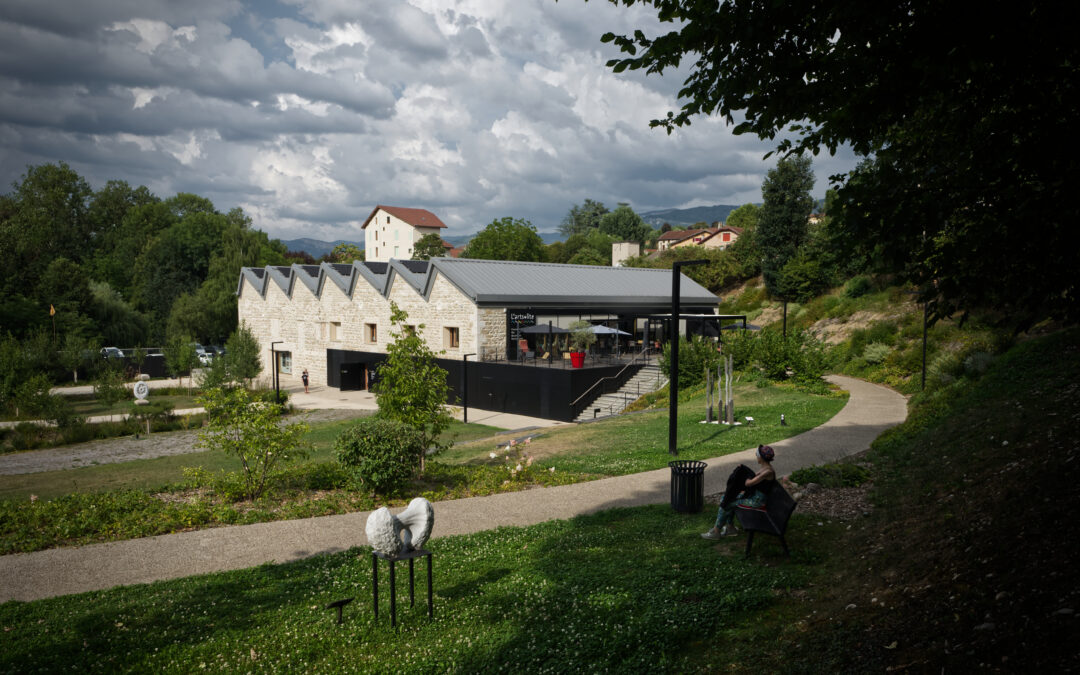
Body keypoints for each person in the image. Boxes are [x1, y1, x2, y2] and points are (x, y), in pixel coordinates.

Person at [702, 445, 777, 540]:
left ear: (761, 458)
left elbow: (749, 483)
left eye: (757, 454)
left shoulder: (768, 472)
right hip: (755, 496)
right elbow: (753, 478)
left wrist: (743, 474)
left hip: (757, 502)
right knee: (727, 498)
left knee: (729, 502)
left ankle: (716, 531)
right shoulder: (765, 468)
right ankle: (729, 528)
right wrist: (744, 471)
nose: (756, 456)